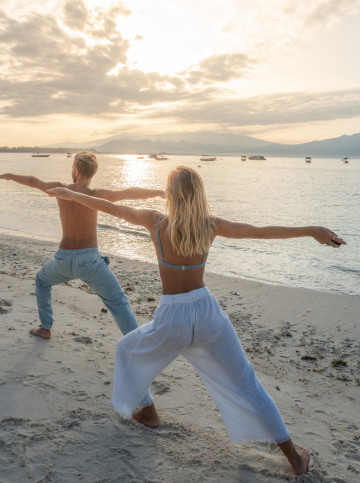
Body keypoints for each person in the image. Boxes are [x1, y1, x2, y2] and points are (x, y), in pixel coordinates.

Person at [48, 165, 346, 476]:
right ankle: (295, 460)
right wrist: (312, 230)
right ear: (199, 193)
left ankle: (148, 413)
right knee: (248, 384)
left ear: (171, 195)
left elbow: (111, 207)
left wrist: (70, 194)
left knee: (127, 350)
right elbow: (260, 231)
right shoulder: (210, 226)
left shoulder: (156, 222)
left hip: (172, 317)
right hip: (207, 314)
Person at [0, 152, 164, 343]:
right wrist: (159, 192)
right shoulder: (96, 195)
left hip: (62, 260)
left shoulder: (60, 190)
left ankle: (45, 328)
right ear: (92, 173)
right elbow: (128, 193)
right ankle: (137, 344)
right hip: (90, 262)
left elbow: (34, 181)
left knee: (42, 281)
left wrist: (9, 176)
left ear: (76, 171)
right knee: (118, 302)